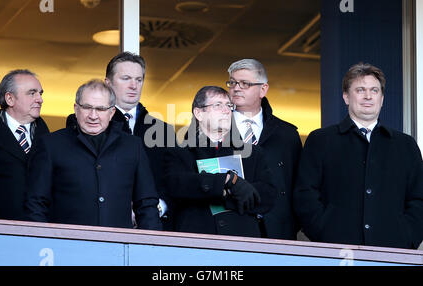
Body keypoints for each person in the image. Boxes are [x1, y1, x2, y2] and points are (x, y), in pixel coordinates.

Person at [293, 62, 423, 249]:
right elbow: (305, 194)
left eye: (374, 90)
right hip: (336, 250)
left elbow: (419, 199)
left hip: (392, 250)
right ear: (346, 97)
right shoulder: (321, 140)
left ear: (382, 98)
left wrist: (408, 235)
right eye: (360, 90)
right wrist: (323, 231)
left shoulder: (406, 145)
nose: (368, 96)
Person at [25, 79, 162, 230]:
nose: (93, 115)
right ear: (76, 108)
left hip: (118, 246)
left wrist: (151, 249)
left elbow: (147, 204)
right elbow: (36, 204)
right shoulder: (51, 145)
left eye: (101, 109)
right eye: (87, 107)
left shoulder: (132, 146)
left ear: (111, 113)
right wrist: (40, 244)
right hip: (65, 246)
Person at [66, 52, 175, 229]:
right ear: (108, 83)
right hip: (100, 224)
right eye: (126, 78)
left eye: (139, 80)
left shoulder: (163, 130)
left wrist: (158, 206)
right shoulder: (84, 122)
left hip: (152, 225)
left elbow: (172, 179)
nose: (134, 85)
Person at [164, 86, 277, 237]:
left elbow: (268, 196)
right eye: (218, 105)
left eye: (229, 106)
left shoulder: (252, 153)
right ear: (199, 113)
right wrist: (227, 181)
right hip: (197, 243)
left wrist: (222, 194)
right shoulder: (180, 152)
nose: (226, 111)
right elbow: (178, 186)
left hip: (242, 244)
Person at [226, 59, 302, 240]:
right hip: (229, 229)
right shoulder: (212, 129)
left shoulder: (287, 135)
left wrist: (291, 223)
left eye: (245, 83)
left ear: (263, 89)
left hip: (277, 232)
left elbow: (299, 187)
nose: (236, 88)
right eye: (232, 82)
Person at [0, 69, 49, 220]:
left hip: (40, 236)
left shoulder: (52, 141)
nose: (39, 99)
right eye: (32, 93)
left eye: (40, 93)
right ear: (10, 99)